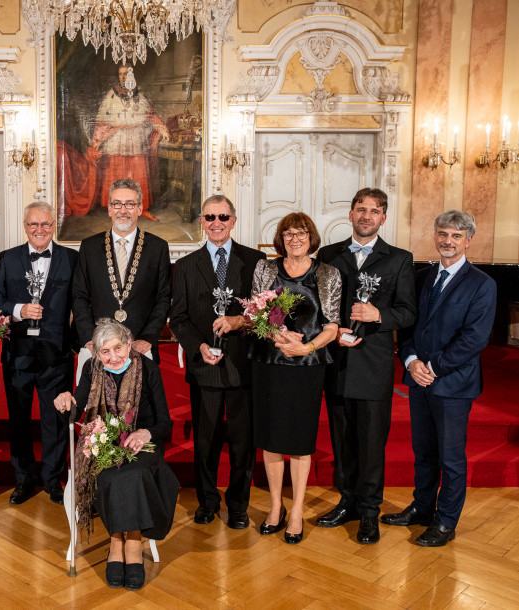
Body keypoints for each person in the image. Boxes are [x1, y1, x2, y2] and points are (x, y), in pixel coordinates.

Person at [385, 210, 496, 547]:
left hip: (452, 384)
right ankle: (422, 508)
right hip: (418, 379)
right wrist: (411, 360)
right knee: (423, 453)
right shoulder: (420, 277)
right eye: (443, 234)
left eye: (456, 236)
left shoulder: (482, 284)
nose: (448, 241)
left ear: (468, 240)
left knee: (451, 458)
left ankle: (446, 521)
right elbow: (407, 324)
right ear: (435, 236)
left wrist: (431, 367)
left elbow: (474, 339)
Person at [315, 188, 417, 544]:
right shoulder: (329, 255)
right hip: (337, 362)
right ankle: (348, 502)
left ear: (383, 218)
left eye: (374, 211)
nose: (366, 216)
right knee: (342, 440)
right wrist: (332, 329)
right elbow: (319, 305)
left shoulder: (399, 259)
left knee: (372, 443)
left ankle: (370, 512)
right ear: (350, 214)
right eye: (361, 209)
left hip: (373, 364)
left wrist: (379, 315)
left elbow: (408, 312)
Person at [54, 319, 178, 592]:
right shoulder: (91, 369)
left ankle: (130, 542)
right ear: (96, 353)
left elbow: (165, 424)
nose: (113, 357)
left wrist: (145, 433)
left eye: (118, 348)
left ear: (129, 345)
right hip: (103, 443)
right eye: (105, 351)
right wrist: (65, 404)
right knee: (110, 473)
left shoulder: (148, 369)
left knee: (132, 473)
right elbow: (75, 412)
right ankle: (117, 540)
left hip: (142, 445)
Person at [169, 195, 265, 528]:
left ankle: (238, 505)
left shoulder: (255, 261)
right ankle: (207, 501)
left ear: (233, 221)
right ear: (202, 222)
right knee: (206, 442)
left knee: (242, 443)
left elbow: (266, 312)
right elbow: (178, 318)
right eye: (210, 217)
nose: (216, 223)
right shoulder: (185, 265)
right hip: (204, 366)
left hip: (243, 365)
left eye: (223, 217)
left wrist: (239, 322)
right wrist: (198, 347)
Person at [250, 213, 341, 544]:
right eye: (288, 233)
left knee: (301, 440)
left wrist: (306, 347)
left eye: (301, 233)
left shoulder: (328, 273)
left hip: (308, 365)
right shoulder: (265, 268)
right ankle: (276, 507)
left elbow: (332, 325)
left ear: (311, 237)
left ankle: (298, 511)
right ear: (281, 239)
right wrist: (279, 337)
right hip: (270, 363)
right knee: (272, 438)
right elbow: (255, 314)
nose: (295, 239)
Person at [0, 202, 79, 505]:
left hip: (57, 355)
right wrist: (18, 310)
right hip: (18, 355)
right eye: (33, 224)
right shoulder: (8, 258)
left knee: (55, 420)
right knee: (19, 420)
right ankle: (24, 480)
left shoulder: (71, 259)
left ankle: (53, 479)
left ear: (54, 226)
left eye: (46, 224)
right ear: (25, 226)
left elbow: (81, 304)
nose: (39, 230)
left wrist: (77, 344)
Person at [72, 178, 171, 365]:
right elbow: (79, 297)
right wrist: (89, 338)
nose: (123, 210)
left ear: (140, 209)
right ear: (109, 209)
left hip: (140, 344)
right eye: (117, 204)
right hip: (98, 346)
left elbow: (163, 298)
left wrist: (148, 338)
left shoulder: (158, 248)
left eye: (130, 204)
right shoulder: (89, 247)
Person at [89, 65, 170, 221]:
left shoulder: (139, 95)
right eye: (121, 74)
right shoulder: (112, 94)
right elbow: (103, 119)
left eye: (126, 73)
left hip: (135, 139)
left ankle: (141, 209)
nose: (123, 77)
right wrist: (98, 139)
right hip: (116, 140)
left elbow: (151, 115)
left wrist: (163, 130)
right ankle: (116, 208)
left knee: (138, 173)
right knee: (117, 173)